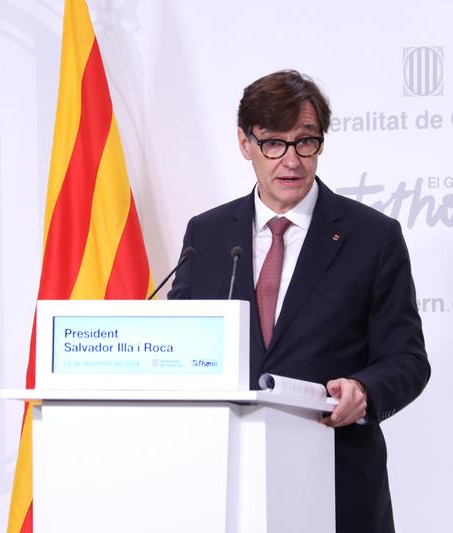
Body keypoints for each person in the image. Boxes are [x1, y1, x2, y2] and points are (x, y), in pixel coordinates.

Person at [168, 70, 430, 533]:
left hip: (335, 480)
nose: (290, 160)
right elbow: (181, 346)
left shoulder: (373, 237)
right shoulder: (205, 235)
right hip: (221, 482)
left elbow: (407, 359)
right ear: (245, 143)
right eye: (273, 142)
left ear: (321, 144)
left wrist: (364, 391)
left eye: (304, 141)